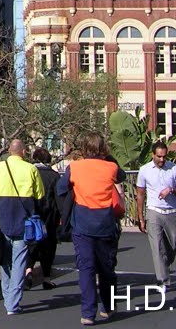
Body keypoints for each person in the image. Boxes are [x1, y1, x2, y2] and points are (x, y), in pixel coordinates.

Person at [57, 132, 126, 325]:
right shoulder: (111, 167)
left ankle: (88, 313)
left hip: (82, 224)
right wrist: (108, 157)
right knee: (107, 269)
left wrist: (72, 201)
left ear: (84, 148)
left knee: (86, 269)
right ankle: (109, 306)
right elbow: (121, 176)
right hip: (105, 223)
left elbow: (60, 189)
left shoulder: (75, 167)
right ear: (103, 148)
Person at [0, 139, 45, 316]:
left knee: (5, 261)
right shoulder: (31, 169)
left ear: (8, 151)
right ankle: (13, 302)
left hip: (2, 220)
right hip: (24, 222)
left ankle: (8, 297)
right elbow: (40, 198)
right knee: (19, 262)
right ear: (23, 152)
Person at [136, 140, 176, 288]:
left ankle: (165, 262)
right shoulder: (144, 170)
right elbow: (140, 194)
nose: (162, 160)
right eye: (159, 156)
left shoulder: (173, 169)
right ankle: (163, 281)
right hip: (154, 212)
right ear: (153, 155)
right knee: (157, 246)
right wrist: (140, 217)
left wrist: (171, 190)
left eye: (164, 157)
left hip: (172, 211)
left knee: (172, 247)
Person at [24, 147, 60, 290]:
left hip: (32, 214)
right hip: (50, 215)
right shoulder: (54, 176)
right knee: (49, 246)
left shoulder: (29, 172)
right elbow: (58, 198)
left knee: (32, 242)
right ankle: (47, 278)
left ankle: (28, 271)